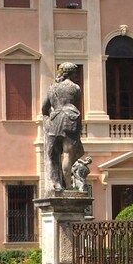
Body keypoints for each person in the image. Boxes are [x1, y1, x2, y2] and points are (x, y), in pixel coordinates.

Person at [42, 63, 83, 191]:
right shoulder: (75, 87)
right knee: (67, 154)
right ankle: (68, 185)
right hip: (71, 118)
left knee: (54, 154)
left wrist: (47, 119)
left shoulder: (52, 88)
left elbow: (44, 108)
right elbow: (76, 103)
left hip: (55, 119)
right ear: (72, 73)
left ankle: (57, 184)